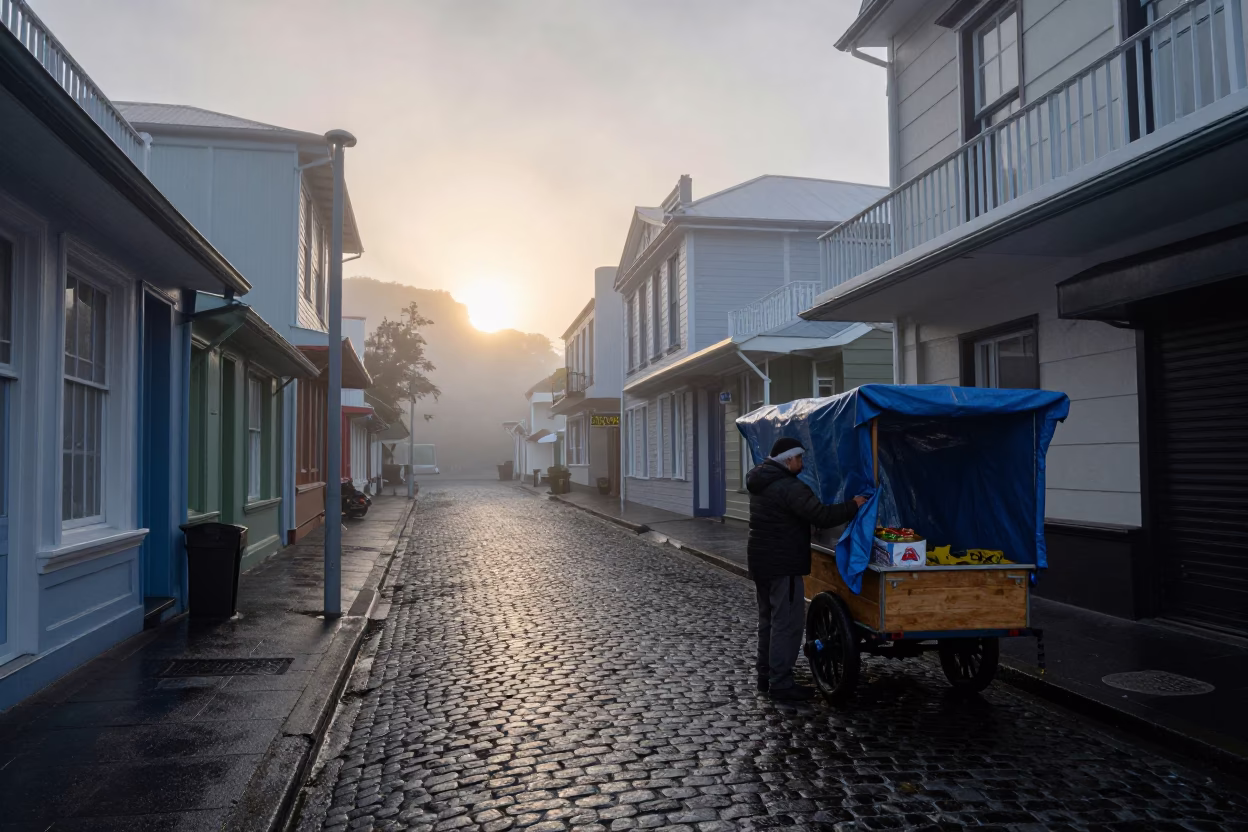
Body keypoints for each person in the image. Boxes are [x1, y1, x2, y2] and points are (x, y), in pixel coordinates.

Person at [746, 437, 867, 701]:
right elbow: (821, 515)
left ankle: (765, 676)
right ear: (788, 460)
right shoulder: (790, 487)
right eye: (799, 458)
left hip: (761, 562)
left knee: (768, 621)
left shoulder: (760, 481)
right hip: (783, 564)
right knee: (787, 623)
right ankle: (781, 682)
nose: (802, 463)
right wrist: (853, 505)